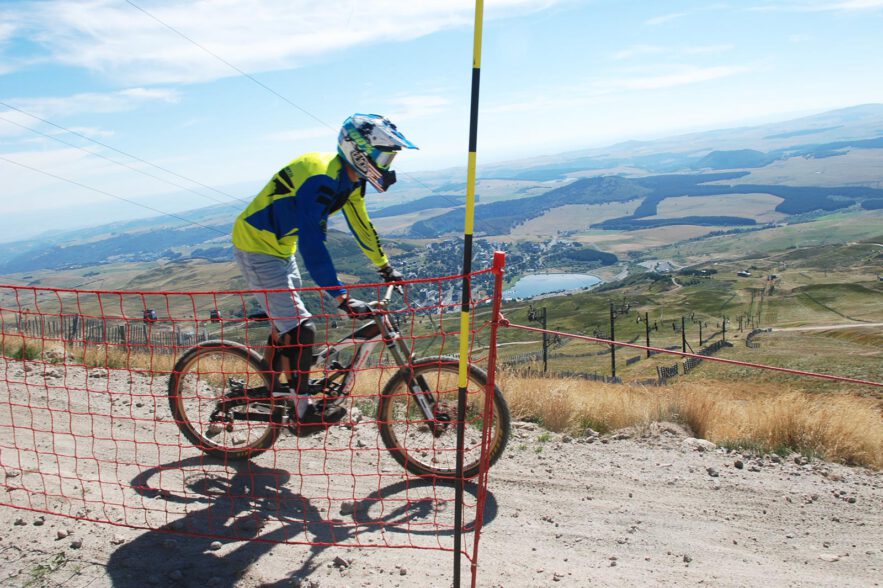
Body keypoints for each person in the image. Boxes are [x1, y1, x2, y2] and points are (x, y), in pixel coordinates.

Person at [231, 113, 416, 427]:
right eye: (383, 156)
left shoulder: (350, 179)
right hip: (257, 247)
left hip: (280, 249)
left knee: (288, 327)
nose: (386, 165)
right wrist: (341, 297)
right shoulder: (321, 178)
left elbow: (361, 224)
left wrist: (385, 267)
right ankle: (303, 413)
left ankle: (274, 390)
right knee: (303, 329)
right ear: (358, 151)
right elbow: (314, 245)